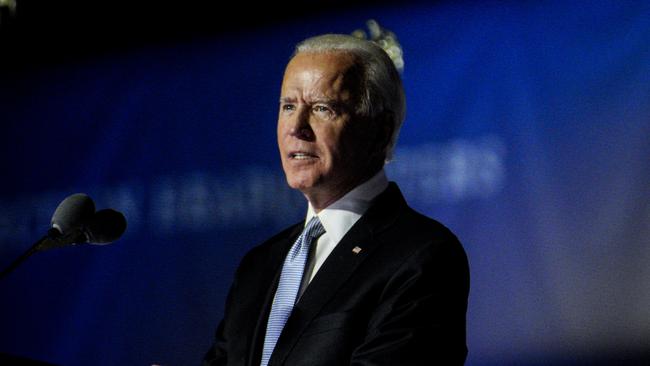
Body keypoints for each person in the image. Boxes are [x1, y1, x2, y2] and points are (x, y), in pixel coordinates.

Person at [203, 31, 469, 366]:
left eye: (322, 108)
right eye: (288, 106)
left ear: (380, 130)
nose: (296, 127)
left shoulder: (421, 256)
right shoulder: (259, 265)